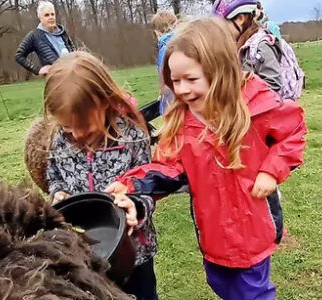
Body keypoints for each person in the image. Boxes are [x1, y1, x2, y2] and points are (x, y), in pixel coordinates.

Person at [105, 17, 307, 300]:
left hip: (253, 226)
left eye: (191, 79)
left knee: (253, 291)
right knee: (221, 283)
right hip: (214, 232)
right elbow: (167, 168)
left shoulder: (255, 104)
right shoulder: (182, 121)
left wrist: (271, 171)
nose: (183, 89)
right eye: (175, 81)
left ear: (219, 70)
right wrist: (130, 185)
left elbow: (293, 131)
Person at [42, 51, 160, 300]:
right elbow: (53, 175)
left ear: (104, 102)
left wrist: (135, 207)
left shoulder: (132, 136)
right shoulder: (59, 141)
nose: (75, 133)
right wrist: (58, 192)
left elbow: (149, 186)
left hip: (132, 251)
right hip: (84, 253)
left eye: (83, 125)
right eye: (66, 126)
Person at [212, 0, 282, 92]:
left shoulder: (261, 46)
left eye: (222, 25)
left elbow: (273, 84)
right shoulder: (240, 45)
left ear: (240, 19)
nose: (220, 31)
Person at [15, 1, 75, 77]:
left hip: (73, 74)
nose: (51, 17)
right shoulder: (34, 36)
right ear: (40, 18)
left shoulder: (62, 32)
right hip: (56, 79)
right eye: (46, 15)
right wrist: (37, 70)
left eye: (52, 14)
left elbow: (72, 49)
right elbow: (19, 56)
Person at [151, 11, 177, 115]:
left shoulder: (165, 49)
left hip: (172, 104)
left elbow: (164, 78)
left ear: (157, 32)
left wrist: (163, 97)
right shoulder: (184, 42)